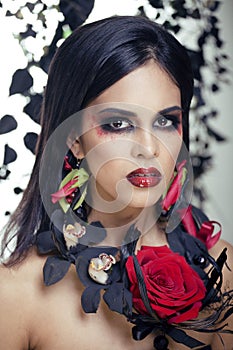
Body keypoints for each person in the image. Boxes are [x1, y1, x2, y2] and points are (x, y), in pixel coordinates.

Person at [0, 15, 232, 350]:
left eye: (166, 121)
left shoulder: (222, 269)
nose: (149, 149)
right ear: (73, 138)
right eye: (119, 123)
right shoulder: (17, 294)